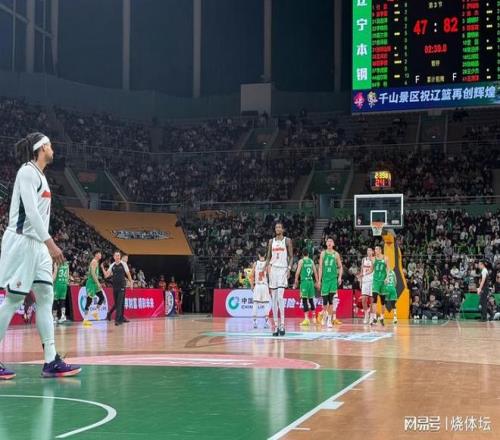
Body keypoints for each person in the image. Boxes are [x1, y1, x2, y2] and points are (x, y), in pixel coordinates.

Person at [0, 132, 80, 379]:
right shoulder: (27, 172)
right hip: (22, 241)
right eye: (50, 145)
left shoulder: (42, 177)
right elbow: (32, 213)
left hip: (38, 246)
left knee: (46, 296)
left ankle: (51, 360)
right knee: (14, 299)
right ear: (42, 147)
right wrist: (51, 244)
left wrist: (45, 245)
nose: (53, 149)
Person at [265, 222, 293, 337]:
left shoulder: (287, 240)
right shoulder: (271, 241)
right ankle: (276, 325)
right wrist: (265, 268)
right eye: (276, 227)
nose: (277, 229)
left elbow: (291, 256)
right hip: (273, 270)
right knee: (274, 299)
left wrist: (289, 268)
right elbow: (268, 257)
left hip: (282, 270)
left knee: (280, 297)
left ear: (283, 229)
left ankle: (282, 324)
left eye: (280, 227)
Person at [102, 251, 133, 326]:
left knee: (119, 303)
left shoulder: (123, 264)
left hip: (122, 286)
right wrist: (102, 268)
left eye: (118, 255)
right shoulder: (112, 265)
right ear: (114, 257)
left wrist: (131, 282)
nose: (117, 257)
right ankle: (120, 318)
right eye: (116, 256)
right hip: (115, 287)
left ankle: (117, 320)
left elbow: (128, 274)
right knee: (118, 303)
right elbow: (106, 275)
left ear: (120, 257)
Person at [318, 237, 343, 328]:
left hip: (333, 280)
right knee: (325, 301)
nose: (329, 242)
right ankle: (324, 316)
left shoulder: (336, 254)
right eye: (328, 241)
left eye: (331, 241)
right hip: (325, 280)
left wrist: (339, 277)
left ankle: (329, 320)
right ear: (326, 244)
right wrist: (319, 280)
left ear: (333, 244)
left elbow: (340, 267)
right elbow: (320, 267)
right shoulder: (323, 253)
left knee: (331, 300)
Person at [293, 248, 320, 327]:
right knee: (311, 300)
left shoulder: (301, 261)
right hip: (311, 282)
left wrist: (296, 280)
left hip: (304, 282)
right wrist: (317, 282)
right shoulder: (311, 261)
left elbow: (297, 272)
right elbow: (315, 272)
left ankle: (306, 319)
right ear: (308, 254)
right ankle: (314, 318)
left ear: (302, 254)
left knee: (304, 300)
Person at [83, 250, 106, 327]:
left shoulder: (97, 262)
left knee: (102, 297)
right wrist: (98, 282)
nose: (100, 255)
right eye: (99, 253)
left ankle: (95, 312)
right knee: (89, 300)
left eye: (100, 253)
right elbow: (92, 274)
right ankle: (85, 320)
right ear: (96, 255)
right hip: (91, 283)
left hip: (94, 283)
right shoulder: (94, 261)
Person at [250, 249, 270, 329]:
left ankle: (255, 322)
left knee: (255, 303)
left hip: (257, 285)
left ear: (259, 255)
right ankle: (266, 323)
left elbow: (251, 275)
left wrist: (252, 285)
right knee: (266, 304)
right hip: (264, 285)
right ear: (265, 255)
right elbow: (270, 276)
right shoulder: (267, 264)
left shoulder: (255, 264)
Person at [370, 245, 389, 326]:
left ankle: (382, 317)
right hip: (376, 281)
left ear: (380, 250)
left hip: (383, 281)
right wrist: (364, 273)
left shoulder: (386, 258)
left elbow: (388, 269)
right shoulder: (373, 259)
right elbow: (371, 269)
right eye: (375, 249)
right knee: (374, 299)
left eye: (377, 249)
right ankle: (374, 318)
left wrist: (387, 278)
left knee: (383, 301)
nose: (375, 250)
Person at [360, 247, 374, 324]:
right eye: (367, 250)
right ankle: (366, 315)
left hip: (372, 281)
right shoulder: (364, 259)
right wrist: (361, 280)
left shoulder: (374, 259)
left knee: (371, 300)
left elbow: (373, 270)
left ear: (372, 252)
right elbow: (362, 270)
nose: (368, 251)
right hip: (365, 281)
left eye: (370, 250)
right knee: (364, 299)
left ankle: (372, 317)